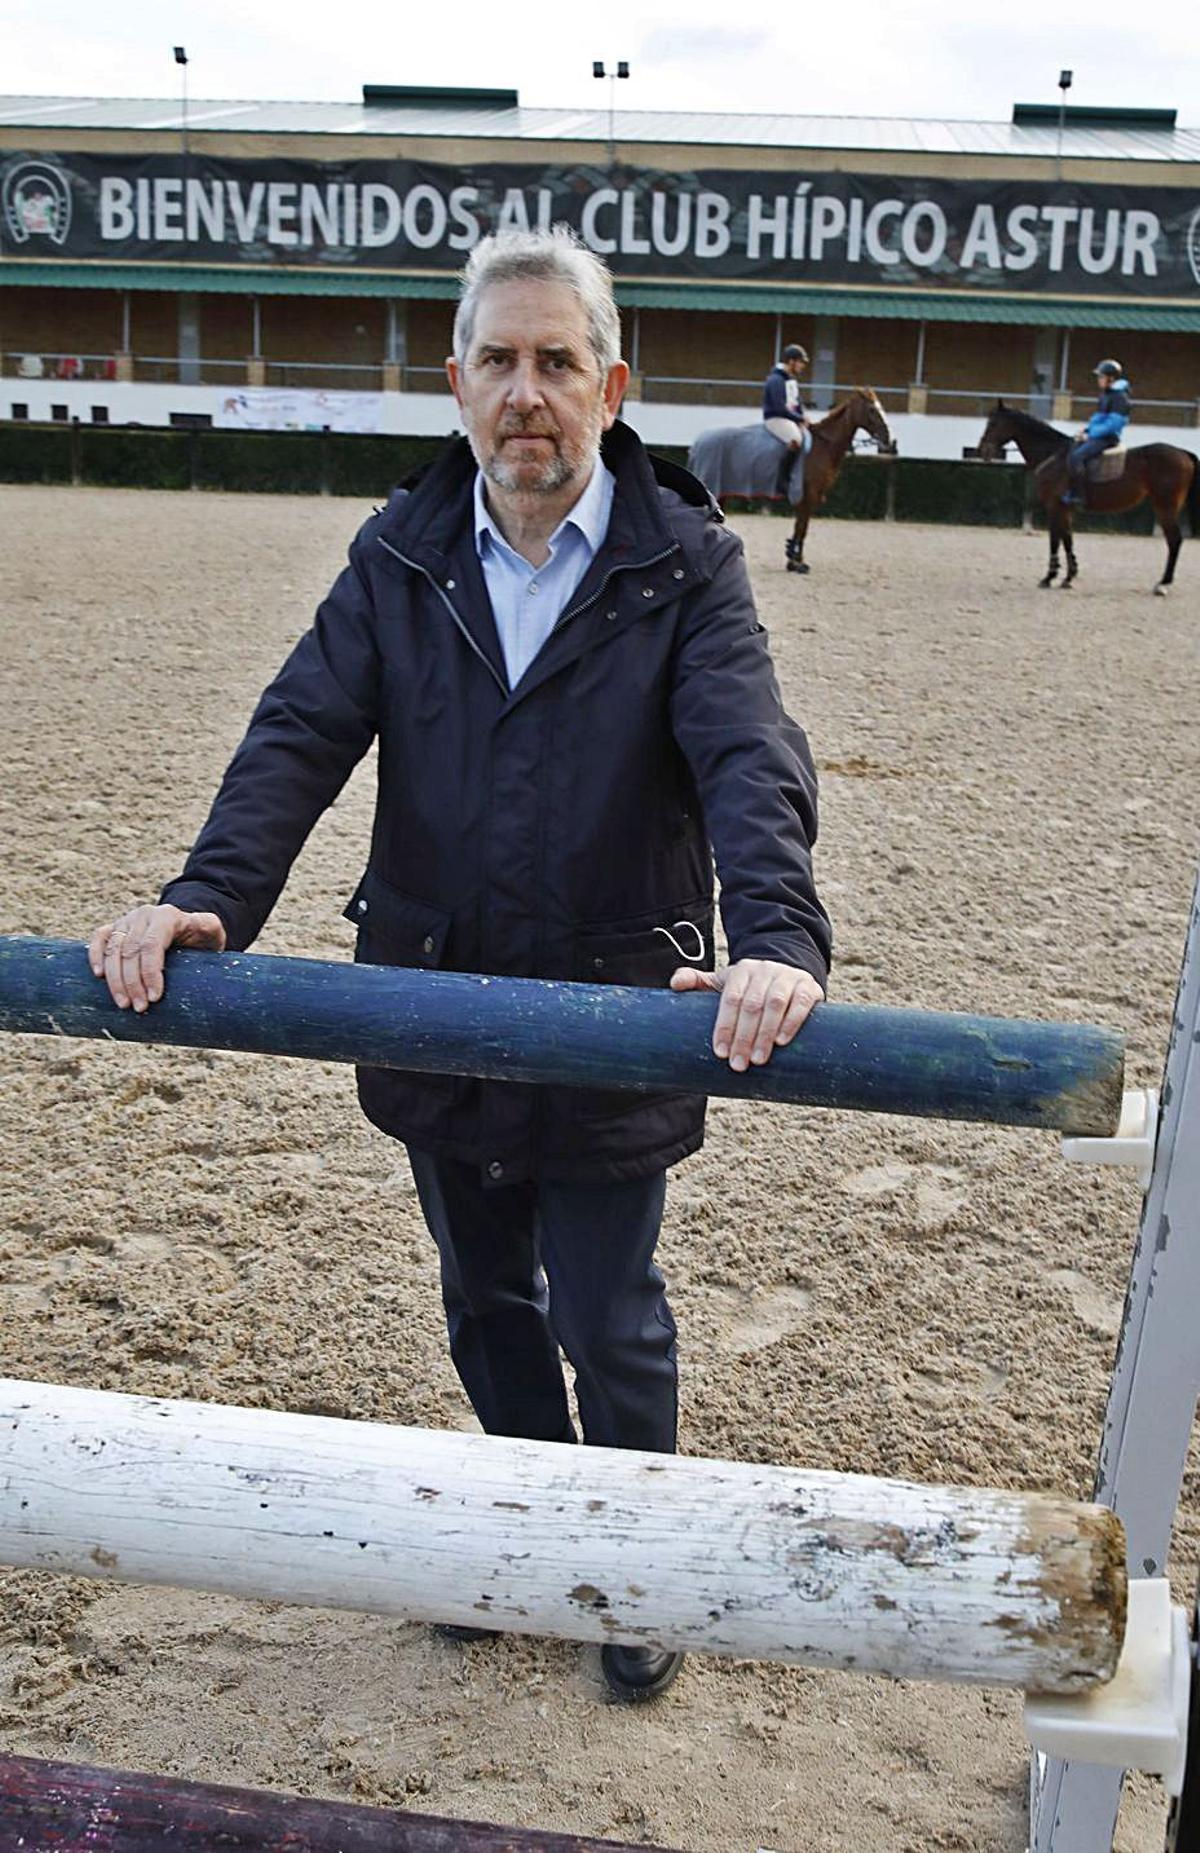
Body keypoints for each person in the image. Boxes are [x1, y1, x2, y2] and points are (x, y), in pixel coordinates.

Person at [87, 227, 832, 1704]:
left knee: (609, 1316)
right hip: (433, 995)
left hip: (618, 1010)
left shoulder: (686, 566)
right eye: (500, 361)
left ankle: (638, 1569)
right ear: (456, 384)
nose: (528, 393)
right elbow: (300, 731)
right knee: (482, 1303)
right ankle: (531, 1528)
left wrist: (778, 940)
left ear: (612, 386)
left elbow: (751, 753)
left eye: (559, 362)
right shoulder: (400, 557)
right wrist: (206, 895)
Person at [1063, 358, 1132, 506]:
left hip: (1108, 438)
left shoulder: (1120, 398)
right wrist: (1086, 430)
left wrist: (1090, 435)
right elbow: (1099, 419)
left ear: (1111, 378)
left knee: (1078, 456)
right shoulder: (1106, 395)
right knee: (1071, 448)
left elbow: (1113, 424)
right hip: (1098, 435)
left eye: (1101, 376)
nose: (1098, 380)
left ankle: (1079, 494)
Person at [762, 342, 811, 448]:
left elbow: (797, 403)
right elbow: (779, 408)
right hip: (776, 419)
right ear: (791, 361)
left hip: (789, 419)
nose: (803, 366)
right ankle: (783, 465)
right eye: (800, 362)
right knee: (796, 440)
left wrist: (802, 416)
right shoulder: (776, 380)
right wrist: (800, 418)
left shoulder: (791, 381)